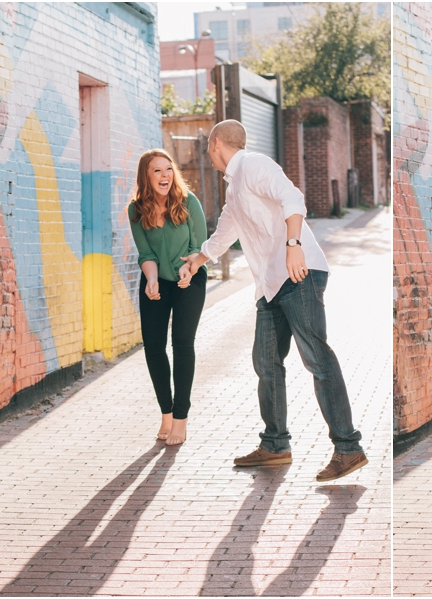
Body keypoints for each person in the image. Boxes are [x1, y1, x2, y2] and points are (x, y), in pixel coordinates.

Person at [180, 119, 367, 482]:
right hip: (271, 283)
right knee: (266, 361)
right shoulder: (235, 185)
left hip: (298, 272)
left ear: (217, 142)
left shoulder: (254, 165)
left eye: (208, 147)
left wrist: (293, 245)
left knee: (316, 356)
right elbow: (226, 231)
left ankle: (348, 448)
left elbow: (292, 197)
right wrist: (199, 258)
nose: (208, 154)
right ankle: (275, 445)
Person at [128, 149, 208, 446]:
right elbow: (146, 253)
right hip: (156, 280)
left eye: (168, 169)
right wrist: (150, 279)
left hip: (191, 278)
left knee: (182, 345)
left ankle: (181, 419)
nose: (165, 176)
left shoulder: (188, 202)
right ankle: (166, 412)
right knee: (153, 347)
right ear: (146, 177)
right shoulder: (136, 210)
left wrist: (190, 268)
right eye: (157, 171)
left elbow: (200, 247)